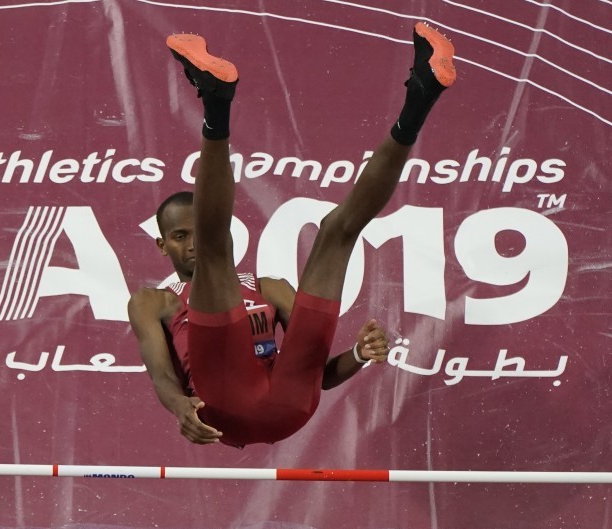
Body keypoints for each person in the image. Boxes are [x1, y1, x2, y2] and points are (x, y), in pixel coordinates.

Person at [128, 23, 456, 446]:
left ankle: (421, 97)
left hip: (291, 404)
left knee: (339, 229)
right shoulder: (152, 302)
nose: (190, 243)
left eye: (196, 230)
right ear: (162, 244)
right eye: (178, 236)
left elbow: (314, 372)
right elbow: (160, 375)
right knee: (220, 254)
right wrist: (180, 408)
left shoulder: (269, 287)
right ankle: (215, 99)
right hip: (221, 408)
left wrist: (356, 356)